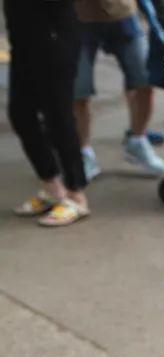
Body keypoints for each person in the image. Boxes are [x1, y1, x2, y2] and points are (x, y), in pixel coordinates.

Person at [6, 0, 91, 226]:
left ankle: (76, 195)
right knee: (21, 114)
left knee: (58, 117)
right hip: (22, 37)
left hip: (54, 37)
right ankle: (52, 187)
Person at [73, 0, 164, 179]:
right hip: (79, 18)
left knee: (145, 79)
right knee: (79, 92)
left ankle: (137, 140)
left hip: (123, 13)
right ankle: (84, 152)